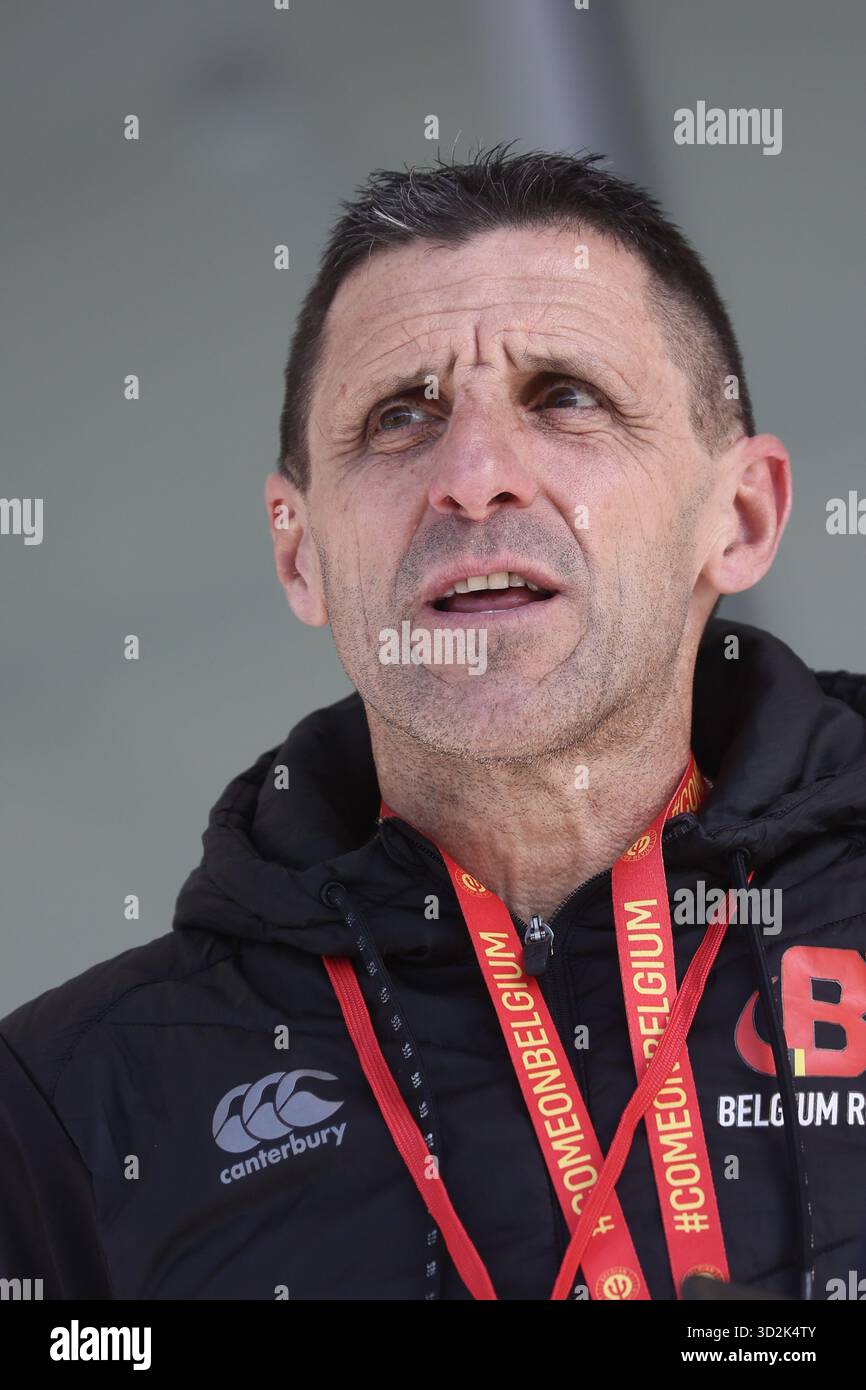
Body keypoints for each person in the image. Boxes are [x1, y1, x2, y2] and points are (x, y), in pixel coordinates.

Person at [2, 146, 865, 1302]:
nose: (471, 476)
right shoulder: (68, 1101)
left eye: (565, 396)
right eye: (398, 417)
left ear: (740, 514)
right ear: (298, 551)